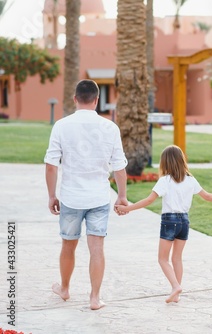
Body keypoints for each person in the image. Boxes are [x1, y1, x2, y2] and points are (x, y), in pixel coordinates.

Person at [44, 79, 129, 310]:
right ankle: (94, 298)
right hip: (99, 198)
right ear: (97, 100)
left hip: (71, 197)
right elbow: (119, 167)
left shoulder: (61, 125)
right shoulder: (110, 127)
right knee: (97, 248)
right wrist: (122, 196)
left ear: (74, 99)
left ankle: (64, 288)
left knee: (68, 246)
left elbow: (51, 165)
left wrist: (52, 195)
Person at [115, 145, 212, 303]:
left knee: (162, 259)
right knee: (177, 258)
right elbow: (207, 196)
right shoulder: (190, 180)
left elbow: (149, 200)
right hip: (184, 221)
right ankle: (176, 293)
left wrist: (128, 208)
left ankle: (175, 287)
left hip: (169, 220)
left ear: (165, 163)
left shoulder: (165, 181)